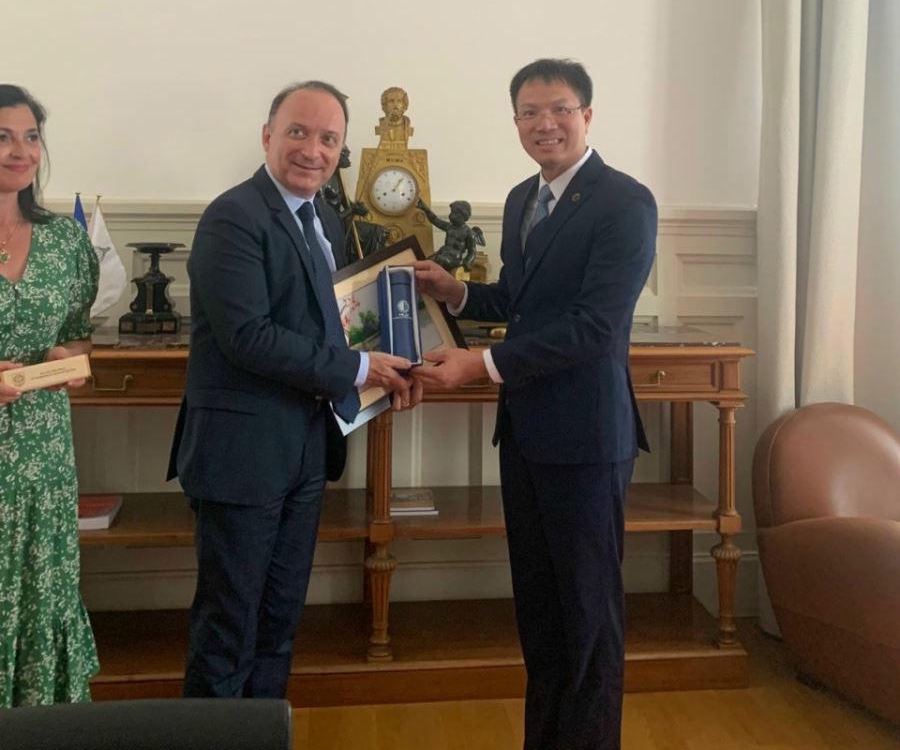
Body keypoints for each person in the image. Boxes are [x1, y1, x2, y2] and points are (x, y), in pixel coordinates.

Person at [413, 59, 656, 750]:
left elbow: (593, 327)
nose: (544, 123)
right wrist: (457, 292)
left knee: (588, 618)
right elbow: (524, 303)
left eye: (559, 109)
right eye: (529, 112)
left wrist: (481, 366)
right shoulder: (524, 197)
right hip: (525, 435)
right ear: (516, 120)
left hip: (586, 440)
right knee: (542, 615)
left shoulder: (625, 201)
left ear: (587, 115)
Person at [167, 81, 421, 700]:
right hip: (242, 458)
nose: (313, 150)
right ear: (267, 136)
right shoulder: (233, 216)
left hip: (306, 450)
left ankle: (261, 734)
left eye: (329, 138)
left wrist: (392, 360)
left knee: (279, 623)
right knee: (228, 627)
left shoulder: (324, 219)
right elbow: (248, 337)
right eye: (298, 132)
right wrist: (362, 370)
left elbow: (332, 325)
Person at [0, 84, 100, 707]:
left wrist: (70, 360)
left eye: (31, 137)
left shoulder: (65, 242)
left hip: (42, 459)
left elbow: (77, 337)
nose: (21, 151)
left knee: (41, 592)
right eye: (3, 137)